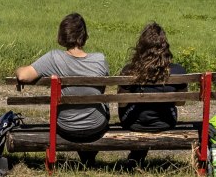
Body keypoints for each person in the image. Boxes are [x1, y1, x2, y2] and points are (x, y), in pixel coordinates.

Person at [15, 12, 108, 164]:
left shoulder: (54, 58)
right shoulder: (100, 59)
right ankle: (88, 157)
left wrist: (18, 69)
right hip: (95, 127)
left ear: (63, 34)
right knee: (100, 106)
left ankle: (86, 156)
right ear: (84, 35)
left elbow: (24, 76)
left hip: (67, 128)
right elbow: (100, 91)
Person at [116, 22, 188, 165]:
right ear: (165, 47)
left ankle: (136, 157)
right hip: (166, 122)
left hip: (133, 123)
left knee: (132, 107)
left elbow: (122, 102)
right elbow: (181, 102)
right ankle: (137, 157)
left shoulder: (129, 70)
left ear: (141, 47)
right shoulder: (178, 71)